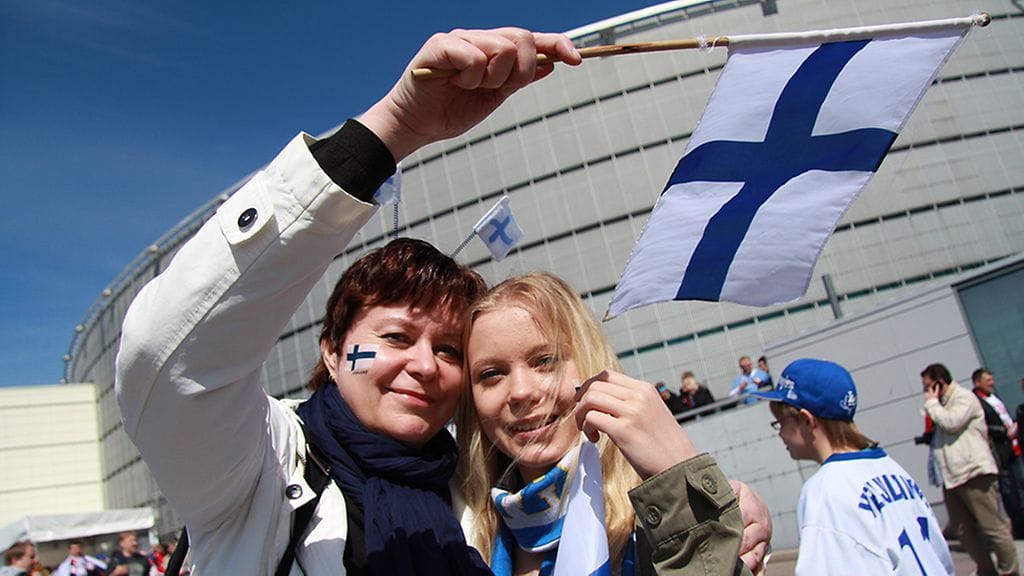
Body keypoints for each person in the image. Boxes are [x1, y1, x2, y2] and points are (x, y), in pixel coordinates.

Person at [456, 272, 770, 575]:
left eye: (545, 360)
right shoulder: (461, 532)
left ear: (590, 361)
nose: (521, 391)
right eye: (491, 374)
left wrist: (691, 506)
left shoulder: (663, 516)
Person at [751, 359, 953, 575]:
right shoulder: (894, 470)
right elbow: (942, 560)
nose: (780, 432)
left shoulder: (824, 492)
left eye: (781, 422)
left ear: (807, 420)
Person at [921, 363, 1018, 576]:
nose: (926, 392)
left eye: (928, 387)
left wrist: (932, 404)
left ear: (940, 383)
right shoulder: (941, 404)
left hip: (974, 472)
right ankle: (986, 570)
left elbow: (952, 422)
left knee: (993, 527)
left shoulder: (963, 398)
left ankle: (1009, 571)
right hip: (952, 477)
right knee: (962, 530)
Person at [972, 367, 1024, 538]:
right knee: (1010, 490)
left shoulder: (993, 398)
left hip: (1012, 448)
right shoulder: (977, 402)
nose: (992, 383)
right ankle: (1019, 526)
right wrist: (1003, 431)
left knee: (1019, 486)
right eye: (988, 380)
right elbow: (983, 426)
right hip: (1000, 451)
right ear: (978, 382)